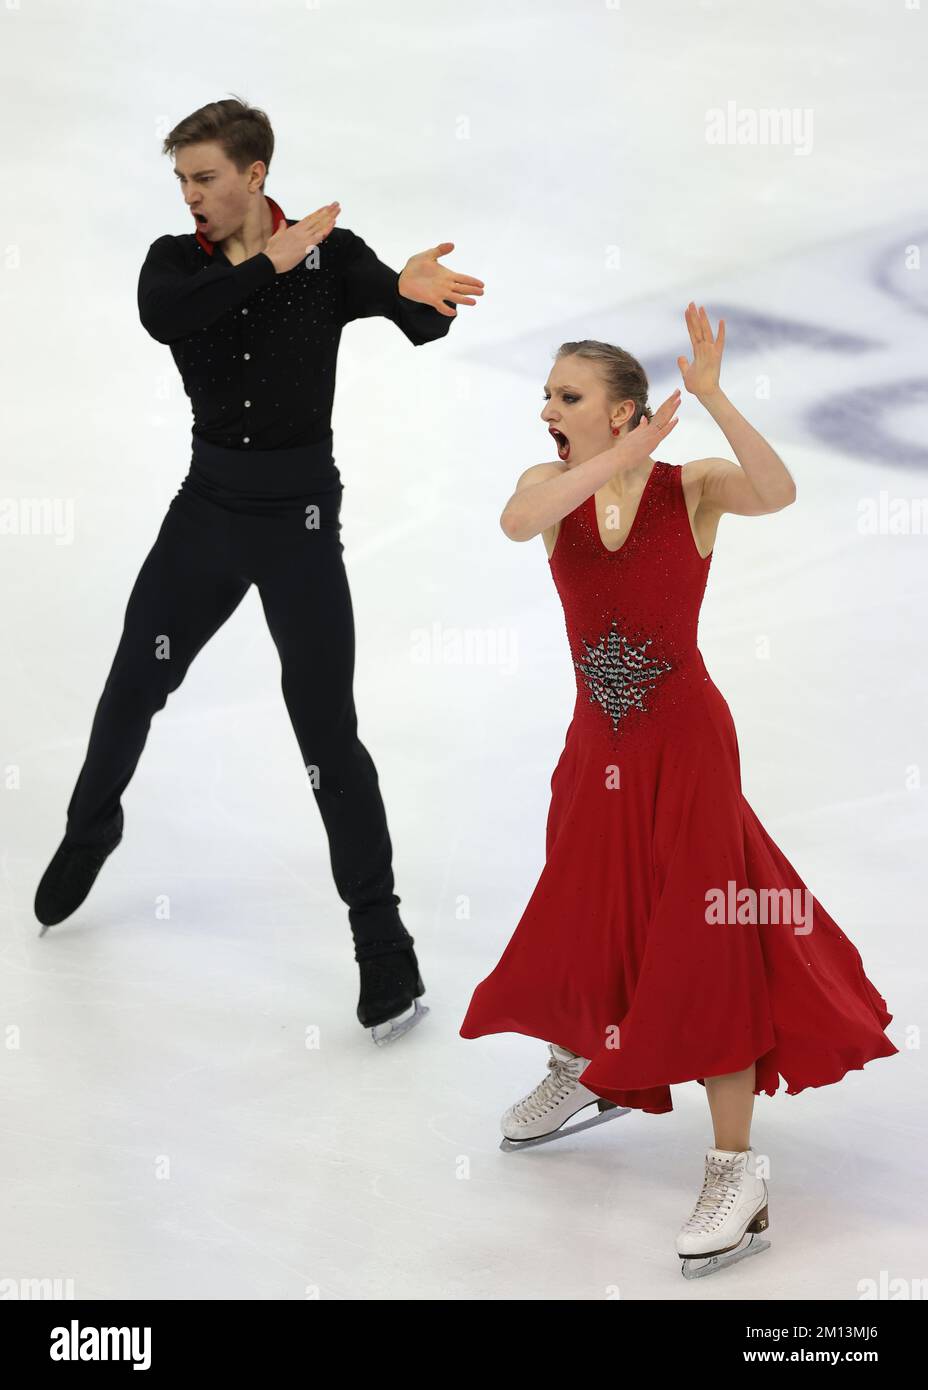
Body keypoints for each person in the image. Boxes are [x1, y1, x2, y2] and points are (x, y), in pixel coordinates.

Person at [34, 95, 484, 1044]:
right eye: (182, 181)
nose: (191, 196)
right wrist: (267, 265)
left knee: (328, 735)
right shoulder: (174, 264)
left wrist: (412, 288)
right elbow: (168, 319)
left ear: (255, 177)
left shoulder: (326, 251)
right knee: (131, 687)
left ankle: (383, 945)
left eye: (205, 178)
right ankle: (90, 827)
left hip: (299, 522)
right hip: (208, 512)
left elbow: (413, 319)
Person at [459, 305, 897, 1275]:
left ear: (620, 412)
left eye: (567, 396)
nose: (546, 407)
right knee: (582, 910)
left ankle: (736, 1170)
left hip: (687, 746)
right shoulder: (551, 487)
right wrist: (611, 461)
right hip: (595, 741)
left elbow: (778, 491)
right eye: (545, 392)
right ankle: (584, 1068)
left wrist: (707, 400)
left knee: (702, 939)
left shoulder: (689, 489)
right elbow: (516, 521)